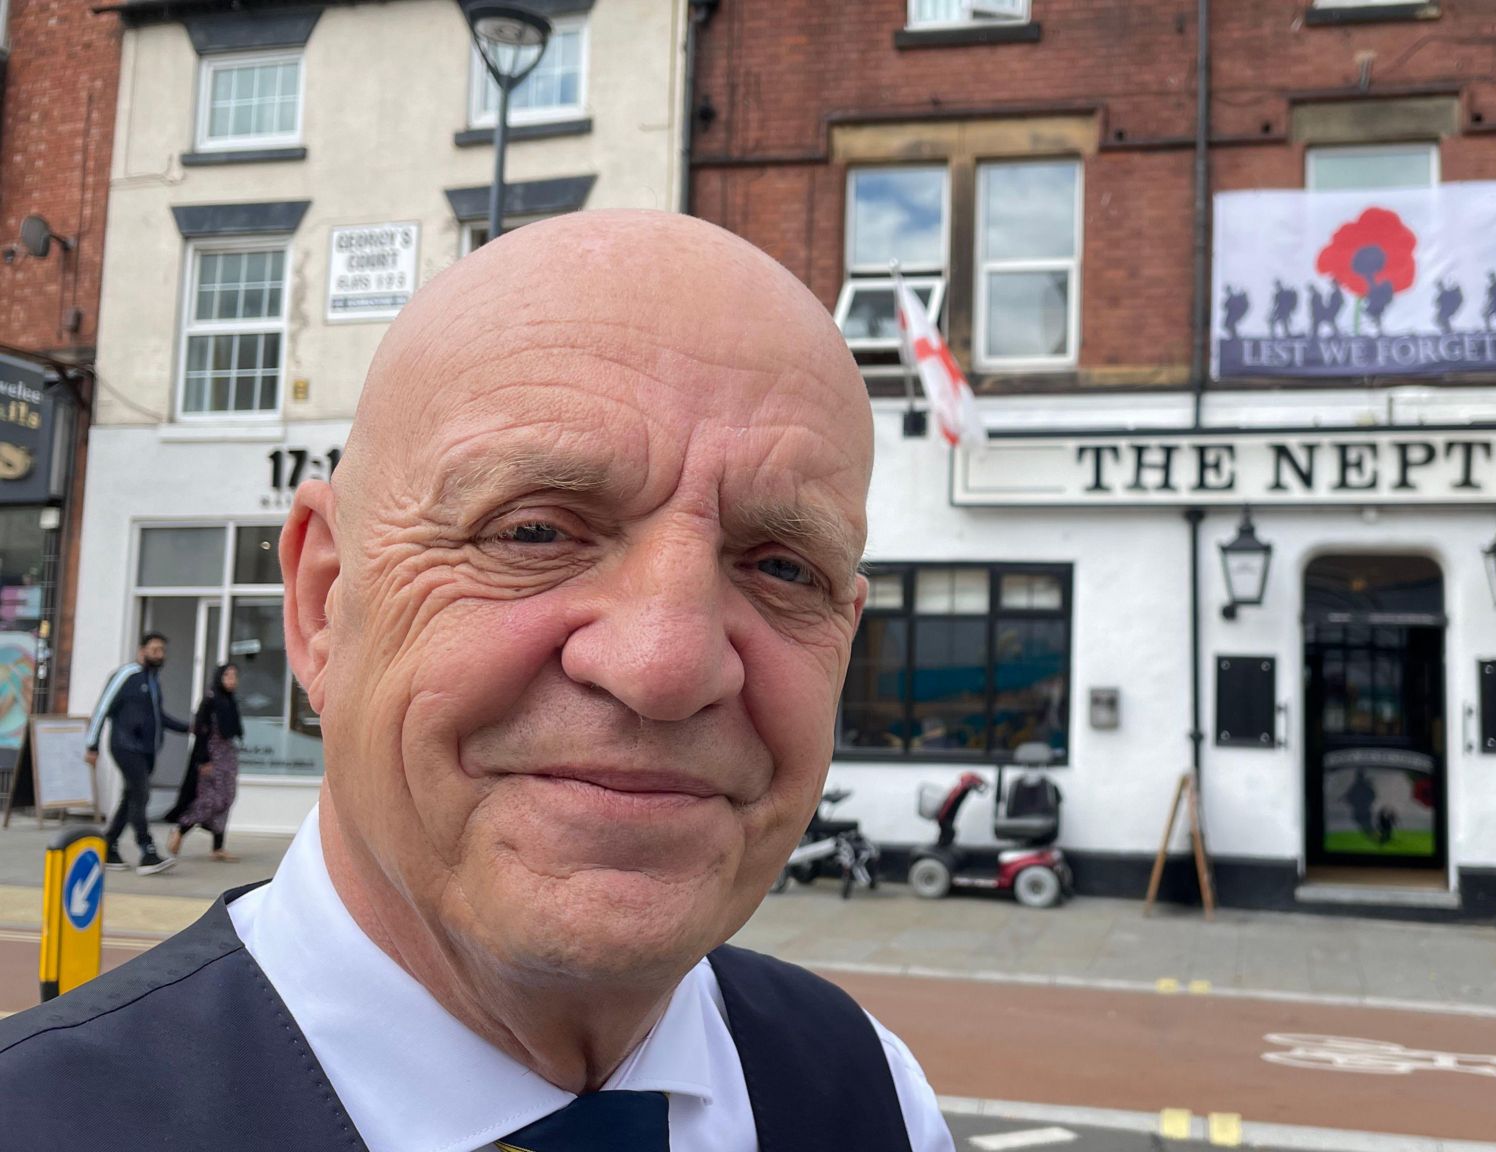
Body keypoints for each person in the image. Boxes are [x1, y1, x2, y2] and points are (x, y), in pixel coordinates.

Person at [0, 212, 950, 1151]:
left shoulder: (875, 1097)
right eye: (535, 532)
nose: (667, 665)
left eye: (784, 569)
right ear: (323, 603)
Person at [82, 631, 188, 875]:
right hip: (125, 746)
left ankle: (108, 846)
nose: (159, 654)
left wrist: (188, 728)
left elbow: (158, 717)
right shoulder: (126, 675)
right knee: (140, 795)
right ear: (142, 651)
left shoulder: (152, 681)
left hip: (146, 750)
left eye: (162, 650)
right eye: (154, 650)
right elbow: (102, 709)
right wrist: (92, 745)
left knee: (130, 797)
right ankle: (147, 851)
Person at [165, 663, 243, 861]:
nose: (232, 680)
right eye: (228, 675)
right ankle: (181, 830)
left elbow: (233, 731)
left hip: (227, 757)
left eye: (235, 676)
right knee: (210, 801)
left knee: (227, 799)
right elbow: (201, 731)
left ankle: (217, 847)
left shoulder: (230, 701)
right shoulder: (210, 700)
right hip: (211, 757)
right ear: (219, 677)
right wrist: (203, 760)